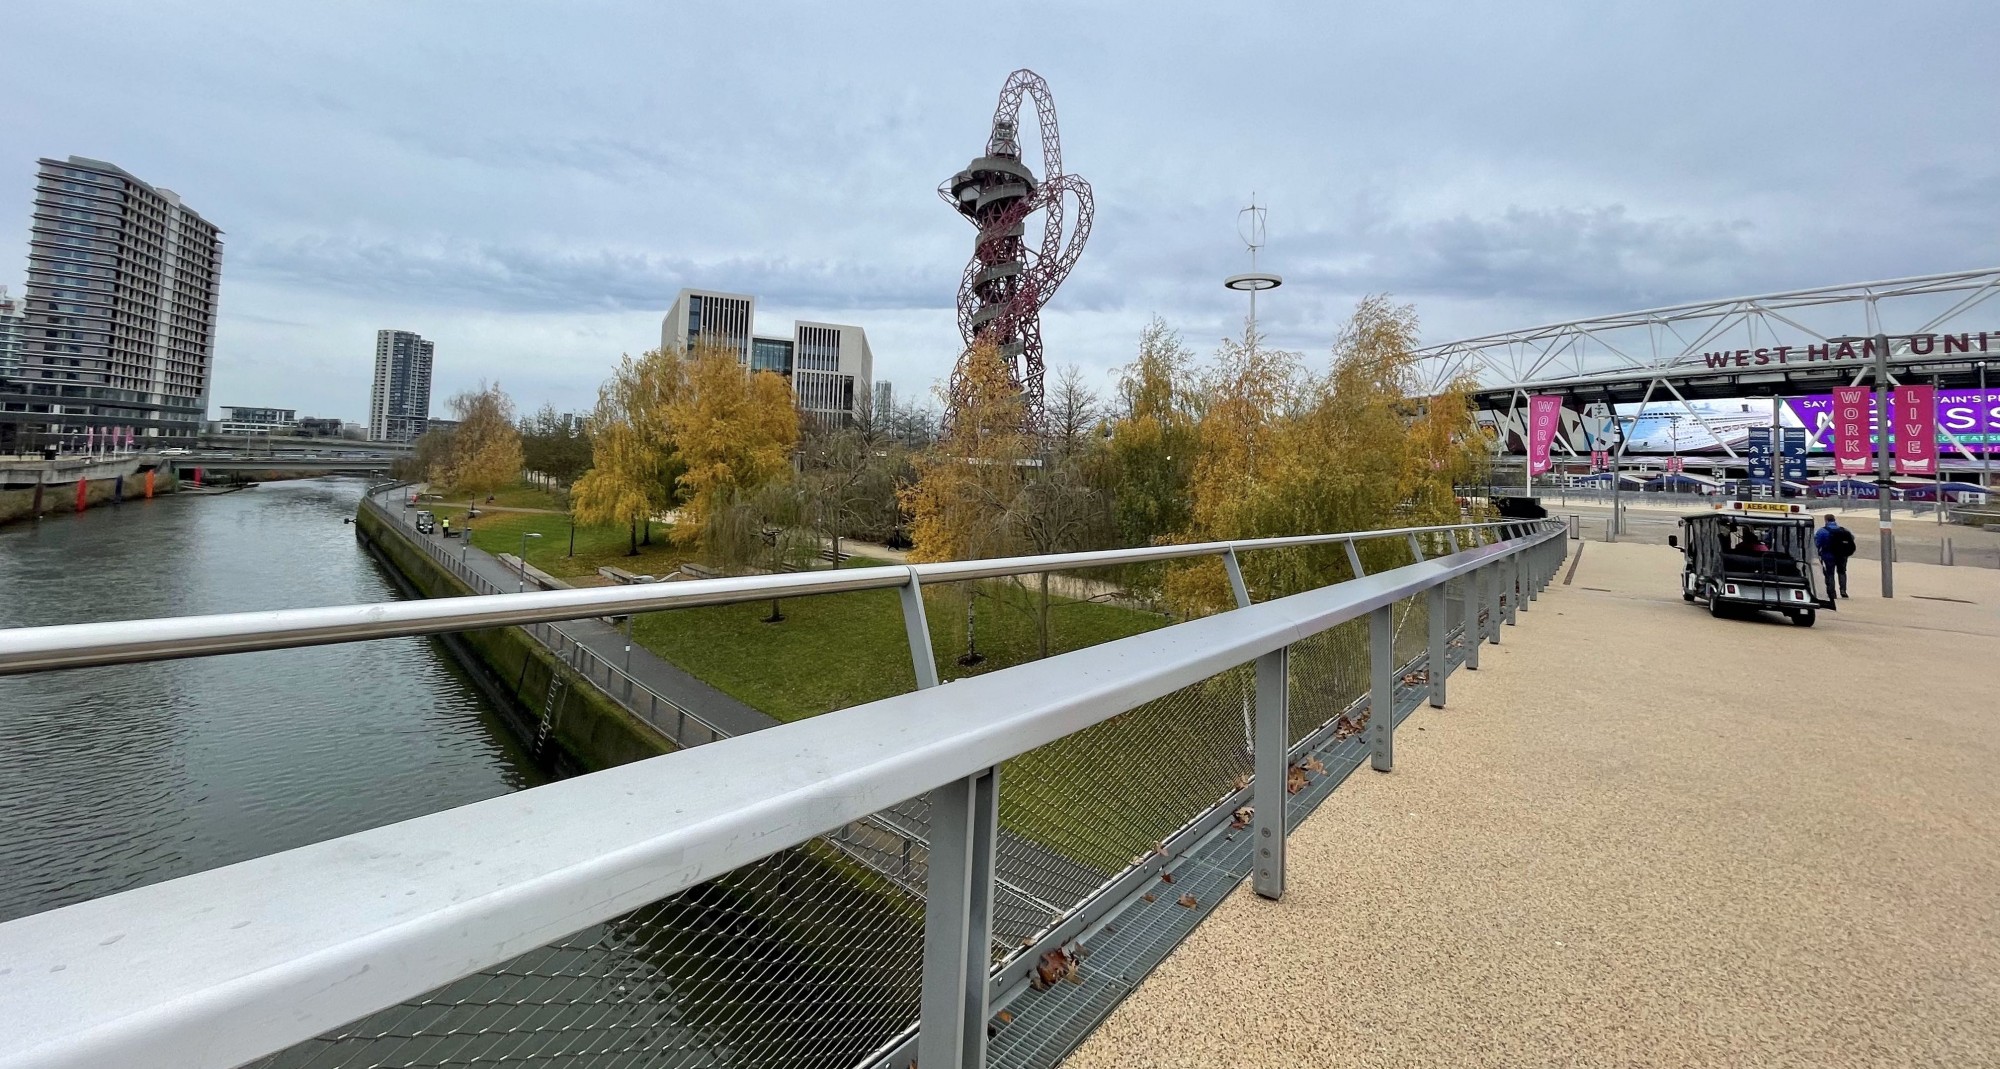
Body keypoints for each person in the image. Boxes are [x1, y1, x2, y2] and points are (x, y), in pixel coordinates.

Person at [1814, 514, 1854, 598]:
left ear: (1826, 520)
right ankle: (1843, 590)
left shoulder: (1822, 531)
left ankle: (1832, 593)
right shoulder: (1844, 530)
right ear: (1834, 520)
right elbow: (1852, 538)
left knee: (1830, 573)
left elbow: (1817, 543)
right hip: (1842, 555)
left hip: (1828, 555)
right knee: (1842, 572)